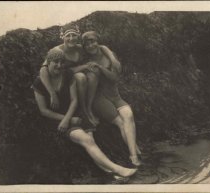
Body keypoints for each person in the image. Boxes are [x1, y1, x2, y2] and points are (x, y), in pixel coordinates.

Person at [32, 48, 137, 178]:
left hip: (74, 113)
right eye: (55, 62)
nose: (59, 65)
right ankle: (119, 170)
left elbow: (74, 100)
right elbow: (44, 111)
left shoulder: (67, 75)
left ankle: (110, 172)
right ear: (48, 63)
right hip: (57, 120)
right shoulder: (39, 83)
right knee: (86, 139)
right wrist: (66, 120)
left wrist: (71, 117)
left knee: (90, 141)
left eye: (61, 62)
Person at [81, 31, 142, 166]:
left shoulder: (108, 54)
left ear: (98, 41)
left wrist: (102, 67)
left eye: (92, 41)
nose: (90, 45)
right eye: (87, 44)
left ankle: (135, 150)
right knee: (121, 122)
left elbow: (115, 77)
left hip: (115, 95)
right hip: (99, 98)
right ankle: (134, 156)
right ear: (84, 47)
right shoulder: (86, 60)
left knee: (128, 115)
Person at [39, 23, 118, 126]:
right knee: (80, 77)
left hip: (80, 81)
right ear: (63, 37)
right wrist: (52, 93)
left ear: (78, 36)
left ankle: (89, 108)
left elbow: (100, 47)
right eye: (68, 36)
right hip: (65, 83)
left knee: (93, 73)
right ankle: (84, 112)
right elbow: (43, 70)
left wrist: (112, 58)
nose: (71, 38)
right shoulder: (58, 50)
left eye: (74, 35)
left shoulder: (80, 48)